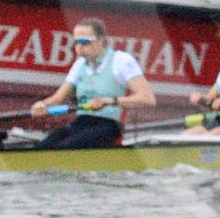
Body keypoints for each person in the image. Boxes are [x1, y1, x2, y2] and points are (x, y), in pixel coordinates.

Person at [28, 19, 157, 148]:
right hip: (81, 124)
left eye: (84, 42)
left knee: (64, 148)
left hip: (108, 127)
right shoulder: (79, 65)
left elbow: (147, 99)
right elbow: (58, 98)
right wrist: (43, 104)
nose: (79, 47)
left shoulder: (121, 61)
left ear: (101, 40)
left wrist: (109, 101)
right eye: (76, 42)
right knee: (45, 145)